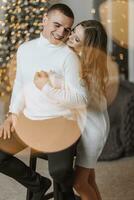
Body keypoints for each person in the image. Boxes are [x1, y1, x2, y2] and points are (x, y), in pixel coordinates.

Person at [0, 4, 87, 200]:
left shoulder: (69, 57)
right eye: (56, 25)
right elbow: (20, 84)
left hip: (61, 123)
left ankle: (66, 196)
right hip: (30, 121)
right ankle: (38, 184)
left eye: (66, 29)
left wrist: (47, 88)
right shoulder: (25, 49)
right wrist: (12, 114)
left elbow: (81, 99)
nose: (60, 32)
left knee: (60, 171)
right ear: (44, 20)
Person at [34, 20, 109, 200]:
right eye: (73, 33)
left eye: (76, 39)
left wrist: (48, 83)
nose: (69, 38)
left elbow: (72, 93)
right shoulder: (80, 61)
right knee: (89, 178)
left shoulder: (86, 69)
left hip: (92, 131)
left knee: (79, 183)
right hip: (91, 124)